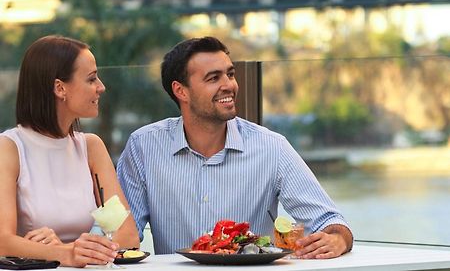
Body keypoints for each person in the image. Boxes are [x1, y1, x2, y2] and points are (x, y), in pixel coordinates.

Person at [117, 36, 353, 258]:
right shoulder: (143, 147)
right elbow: (121, 236)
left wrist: (337, 240)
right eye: (213, 78)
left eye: (230, 74)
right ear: (181, 91)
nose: (229, 85)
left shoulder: (272, 148)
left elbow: (330, 221)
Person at [0, 35, 139, 267]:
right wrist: (66, 253)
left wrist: (64, 249)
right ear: (59, 87)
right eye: (92, 79)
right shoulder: (9, 148)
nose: (101, 87)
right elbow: (3, 242)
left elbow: (128, 237)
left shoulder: (91, 147)